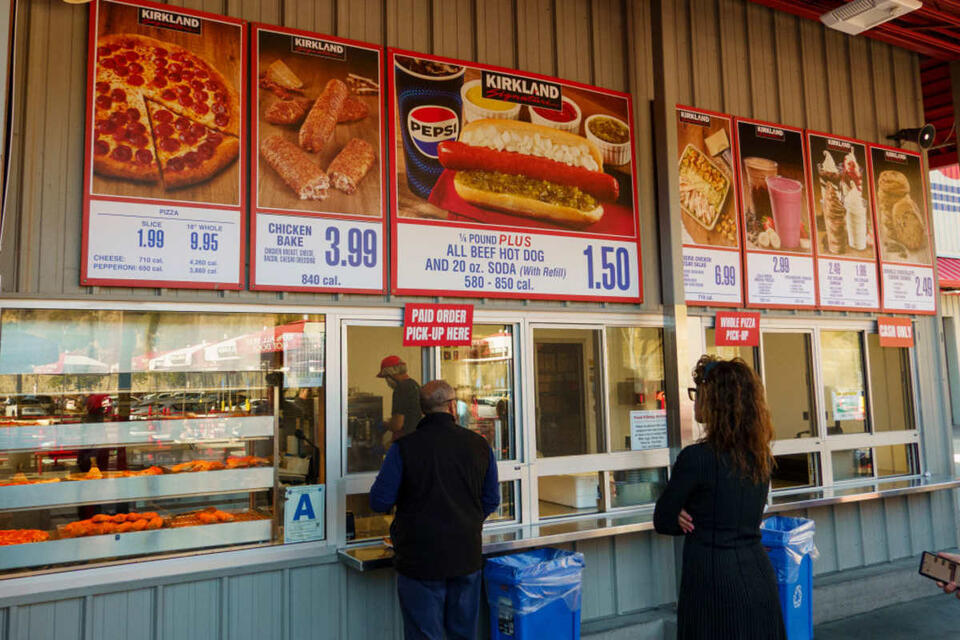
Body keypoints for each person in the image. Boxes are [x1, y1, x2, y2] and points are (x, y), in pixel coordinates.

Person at [654, 355, 786, 640]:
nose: (694, 401)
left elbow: (663, 520)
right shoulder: (760, 457)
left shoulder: (696, 458)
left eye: (697, 392)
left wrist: (679, 511)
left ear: (714, 400)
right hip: (759, 579)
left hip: (712, 587)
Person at [369, 379, 500, 640]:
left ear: (422, 410)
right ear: (452, 407)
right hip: (466, 555)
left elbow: (379, 501)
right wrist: (467, 520)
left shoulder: (403, 448)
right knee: (463, 635)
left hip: (419, 561)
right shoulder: (479, 445)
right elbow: (491, 499)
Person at [377, 355, 422, 443]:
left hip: (405, 440)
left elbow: (397, 425)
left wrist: (384, 424)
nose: (387, 381)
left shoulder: (400, 389)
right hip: (416, 436)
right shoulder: (414, 384)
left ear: (390, 374)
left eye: (386, 377)